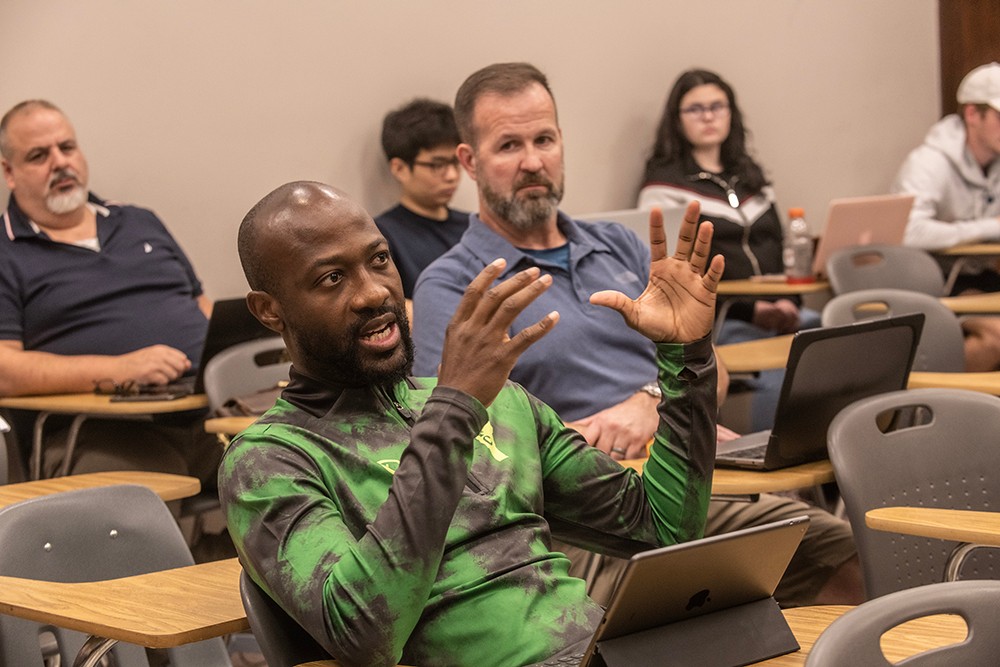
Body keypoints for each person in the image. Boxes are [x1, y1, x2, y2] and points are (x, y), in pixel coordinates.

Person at [413, 62, 862, 608]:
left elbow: (710, 371)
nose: (533, 161)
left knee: (848, 558)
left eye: (544, 139)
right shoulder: (457, 284)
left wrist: (653, 406)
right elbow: (459, 444)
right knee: (687, 608)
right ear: (470, 161)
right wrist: (603, 440)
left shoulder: (621, 246)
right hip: (584, 516)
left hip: (698, 478)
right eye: (509, 145)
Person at [219, 180, 723, 666]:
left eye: (379, 260)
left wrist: (687, 359)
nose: (373, 293)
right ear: (270, 312)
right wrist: (454, 411)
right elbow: (364, 634)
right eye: (332, 278)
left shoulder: (502, 404)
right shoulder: (267, 461)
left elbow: (664, 530)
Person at [0, 99, 220, 484]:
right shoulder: (5, 250)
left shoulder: (139, 221)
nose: (59, 163)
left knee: (301, 452)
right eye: (39, 155)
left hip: (206, 411)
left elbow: (200, 305)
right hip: (95, 433)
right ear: (9, 172)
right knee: (137, 494)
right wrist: (118, 371)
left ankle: (217, 546)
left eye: (66, 148)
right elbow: (3, 369)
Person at [636, 68, 820, 431]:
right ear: (677, 120)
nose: (708, 116)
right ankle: (777, 468)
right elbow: (672, 283)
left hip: (782, 311)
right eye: (696, 109)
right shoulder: (663, 189)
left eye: (717, 106)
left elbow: (781, 249)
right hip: (723, 321)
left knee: (832, 346)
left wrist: (788, 303)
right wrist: (754, 310)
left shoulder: (753, 179)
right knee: (781, 373)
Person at [891, 62, 1000, 371]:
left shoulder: (996, 163)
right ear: (972, 114)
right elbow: (907, 231)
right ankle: (935, 405)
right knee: (996, 340)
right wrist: (987, 227)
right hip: (931, 283)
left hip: (979, 277)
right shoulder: (929, 163)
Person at [373, 98, 469, 298]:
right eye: (437, 165)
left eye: (455, 162)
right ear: (400, 169)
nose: (451, 175)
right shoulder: (382, 236)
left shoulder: (474, 225)